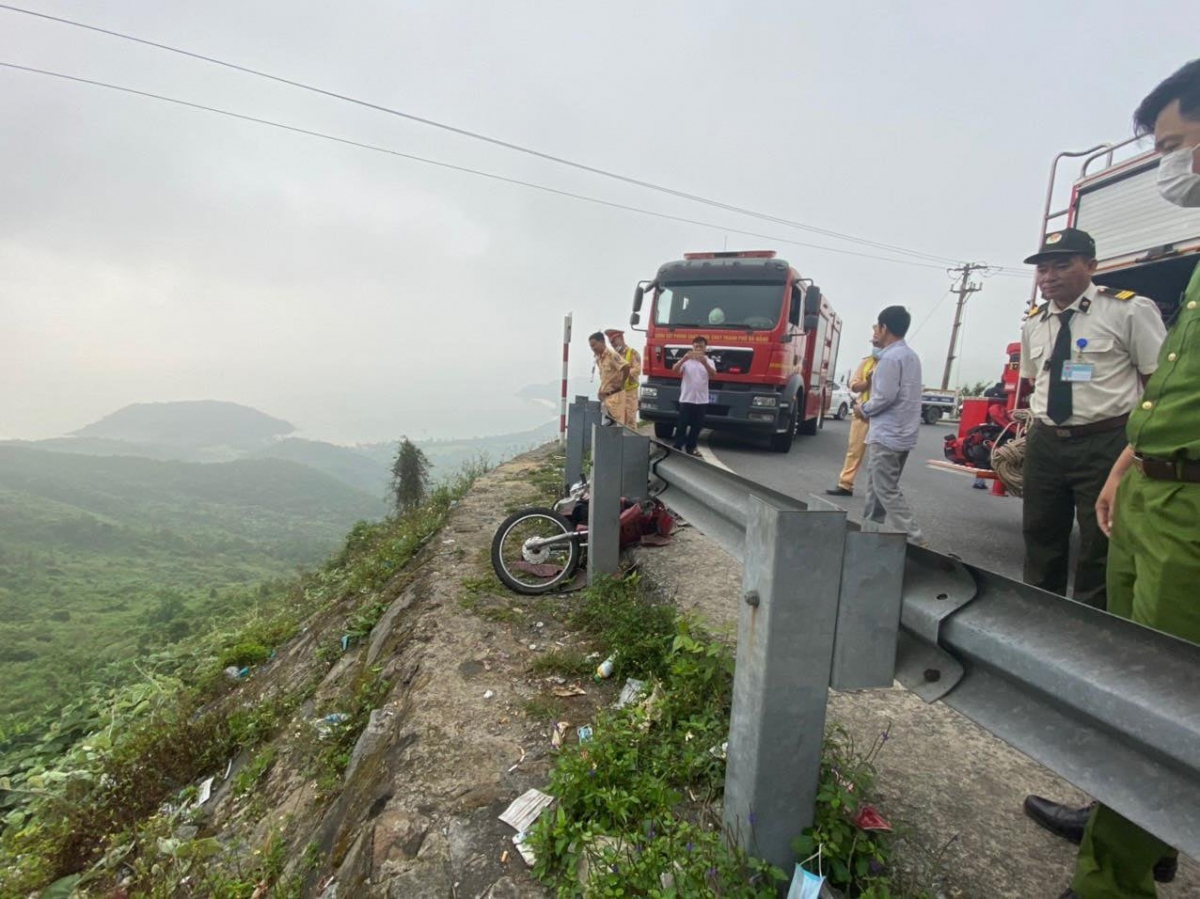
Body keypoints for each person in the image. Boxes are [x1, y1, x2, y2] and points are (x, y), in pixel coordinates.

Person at [1035, 58, 1200, 899]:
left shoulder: (1126, 307)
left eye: (1175, 144)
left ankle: (1117, 870)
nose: (1172, 165)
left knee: (1154, 685)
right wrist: (1134, 461)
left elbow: (1142, 373)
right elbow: (1175, 389)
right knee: (1123, 662)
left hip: (1181, 500)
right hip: (1140, 477)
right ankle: (1127, 822)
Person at [1018, 228, 1166, 608]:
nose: (1049, 277)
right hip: (1046, 441)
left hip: (1106, 441)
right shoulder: (1034, 321)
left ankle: (1090, 630)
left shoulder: (1129, 310)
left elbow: (1158, 386)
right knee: (1040, 534)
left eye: (1062, 266)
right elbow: (1038, 380)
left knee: (1100, 541)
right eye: (1043, 269)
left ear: (1092, 266)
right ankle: (1037, 618)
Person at [853, 306, 926, 543]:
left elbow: (884, 396)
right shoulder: (911, 356)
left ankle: (916, 540)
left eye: (878, 326)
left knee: (885, 489)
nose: (876, 331)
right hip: (903, 433)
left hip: (887, 434)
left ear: (885, 328)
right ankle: (868, 536)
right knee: (875, 490)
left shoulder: (889, 359)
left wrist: (862, 409)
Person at [826, 348, 879, 496]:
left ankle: (879, 490)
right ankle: (845, 484)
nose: (876, 345)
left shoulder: (891, 362)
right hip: (862, 412)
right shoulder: (867, 362)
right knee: (854, 451)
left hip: (881, 415)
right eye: (874, 342)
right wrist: (867, 382)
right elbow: (853, 385)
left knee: (880, 455)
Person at [670, 336, 714, 456]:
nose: (698, 348)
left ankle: (691, 447)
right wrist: (683, 359)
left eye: (701, 346)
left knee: (697, 425)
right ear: (692, 347)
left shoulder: (709, 361)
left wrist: (704, 363)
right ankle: (678, 446)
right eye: (696, 346)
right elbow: (674, 370)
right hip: (686, 398)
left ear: (705, 348)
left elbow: (713, 375)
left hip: (701, 399)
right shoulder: (687, 361)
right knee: (682, 424)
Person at [589, 331, 630, 425]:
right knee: (607, 427)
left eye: (594, 345)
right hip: (606, 398)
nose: (593, 348)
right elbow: (605, 377)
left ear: (602, 342)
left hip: (616, 396)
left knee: (619, 427)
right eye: (591, 346)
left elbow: (626, 367)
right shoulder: (599, 358)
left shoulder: (612, 355)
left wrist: (622, 383)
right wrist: (601, 389)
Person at [605, 329, 642, 429]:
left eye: (613, 341)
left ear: (621, 338)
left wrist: (624, 373)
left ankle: (631, 443)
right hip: (617, 394)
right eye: (610, 342)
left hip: (630, 393)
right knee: (618, 422)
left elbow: (637, 369)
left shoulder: (632, 353)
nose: (612, 344)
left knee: (630, 421)